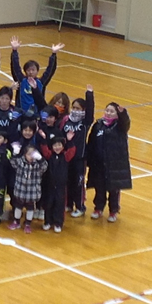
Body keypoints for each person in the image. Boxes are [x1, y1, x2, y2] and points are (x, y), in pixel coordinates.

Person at [86, 102, 132, 222]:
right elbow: (91, 142)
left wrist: (123, 114)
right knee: (99, 188)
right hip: (99, 164)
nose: (109, 113)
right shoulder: (98, 125)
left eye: (112, 111)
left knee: (114, 190)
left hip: (114, 165)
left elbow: (126, 122)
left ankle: (113, 211)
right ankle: (98, 208)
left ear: (117, 114)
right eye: (107, 110)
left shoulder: (120, 127)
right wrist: (89, 159)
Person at [61, 85, 95, 218]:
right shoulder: (66, 120)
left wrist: (89, 94)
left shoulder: (85, 123)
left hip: (79, 158)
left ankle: (80, 206)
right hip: (67, 157)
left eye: (78, 108)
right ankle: (69, 204)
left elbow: (90, 111)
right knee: (67, 181)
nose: (75, 110)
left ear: (83, 110)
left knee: (78, 183)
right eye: (73, 108)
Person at [10, 35, 64, 112]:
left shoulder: (41, 82)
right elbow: (16, 67)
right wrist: (14, 51)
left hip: (37, 114)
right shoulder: (21, 81)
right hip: (21, 113)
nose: (31, 72)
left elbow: (50, 71)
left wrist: (53, 54)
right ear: (25, 71)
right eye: (28, 70)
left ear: (37, 71)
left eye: (33, 70)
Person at [40, 129, 76, 233]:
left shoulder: (65, 156)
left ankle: (58, 223)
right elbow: (44, 149)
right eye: (55, 145)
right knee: (48, 204)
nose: (57, 147)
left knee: (60, 205)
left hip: (61, 186)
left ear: (63, 146)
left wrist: (70, 140)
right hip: (50, 185)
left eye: (59, 145)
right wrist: (44, 138)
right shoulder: (49, 156)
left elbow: (72, 150)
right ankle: (48, 222)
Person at [8, 145, 48, 234]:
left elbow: (45, 167)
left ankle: (27, 224)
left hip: (32, 192)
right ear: (25, 154)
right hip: (20, 191)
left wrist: (41, 159)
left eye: (33, 154)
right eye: (29, 154)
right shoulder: (20, 162)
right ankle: (16, 221)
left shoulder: (37, 165)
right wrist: (15, 154)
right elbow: (12, 162)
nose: (31, 156)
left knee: (30, 208)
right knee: (18, 207)